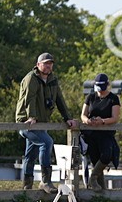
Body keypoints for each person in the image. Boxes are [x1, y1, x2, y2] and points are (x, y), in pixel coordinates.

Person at [14, 52, 77, 193]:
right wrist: (31, 117)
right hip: (26, 122)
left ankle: (26, 187)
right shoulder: (31, 78)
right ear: (38, 65)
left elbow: (60, 100)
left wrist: (68, 118)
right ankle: (45, 181)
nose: (48, 66)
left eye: (50, 63)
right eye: (45, 63)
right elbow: (29, 99)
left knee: (31, 153)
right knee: (46, 142)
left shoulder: (52, 80)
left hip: (41, 123)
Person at [80, 73, 121, 191]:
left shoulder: (113, 98)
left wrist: (102, 121)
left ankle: (93, 177)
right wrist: (87, 120)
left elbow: (115, 118)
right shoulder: (90, 97)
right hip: (91, 134)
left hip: (106, 133)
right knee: (95, 159)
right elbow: (83, 114)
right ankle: (100, 191)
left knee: (106, 156)